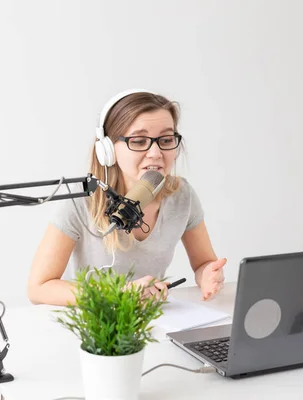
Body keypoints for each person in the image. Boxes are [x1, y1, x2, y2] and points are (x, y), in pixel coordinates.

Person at [27, 89, 226, 306]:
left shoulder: (181, 195)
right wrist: (117, 295)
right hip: (94, 326)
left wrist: (207, 275)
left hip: (152, 320)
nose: (156, 153)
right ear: (108, 150)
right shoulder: (81, 197)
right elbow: (39, 287)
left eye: (166, 140)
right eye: (139, 141)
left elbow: (204, 263)